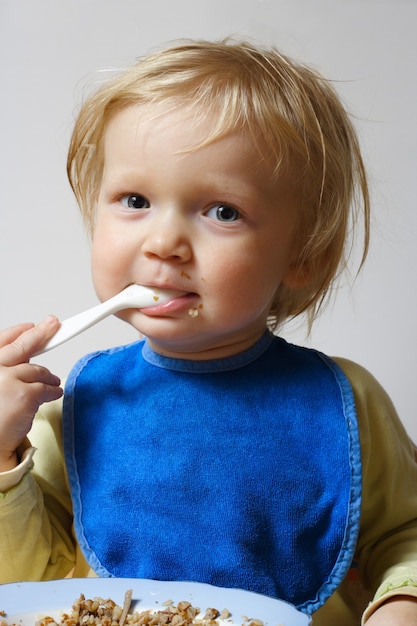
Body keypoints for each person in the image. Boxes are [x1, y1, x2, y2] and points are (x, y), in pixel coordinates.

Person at [0, 38, 416, 625]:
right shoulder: (73, 407)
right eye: (135, 200)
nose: (163, 243)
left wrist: (402, 599)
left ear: (304, 256)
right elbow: (26, 584)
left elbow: (403, 534)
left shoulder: (346, 401)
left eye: (222, 211)